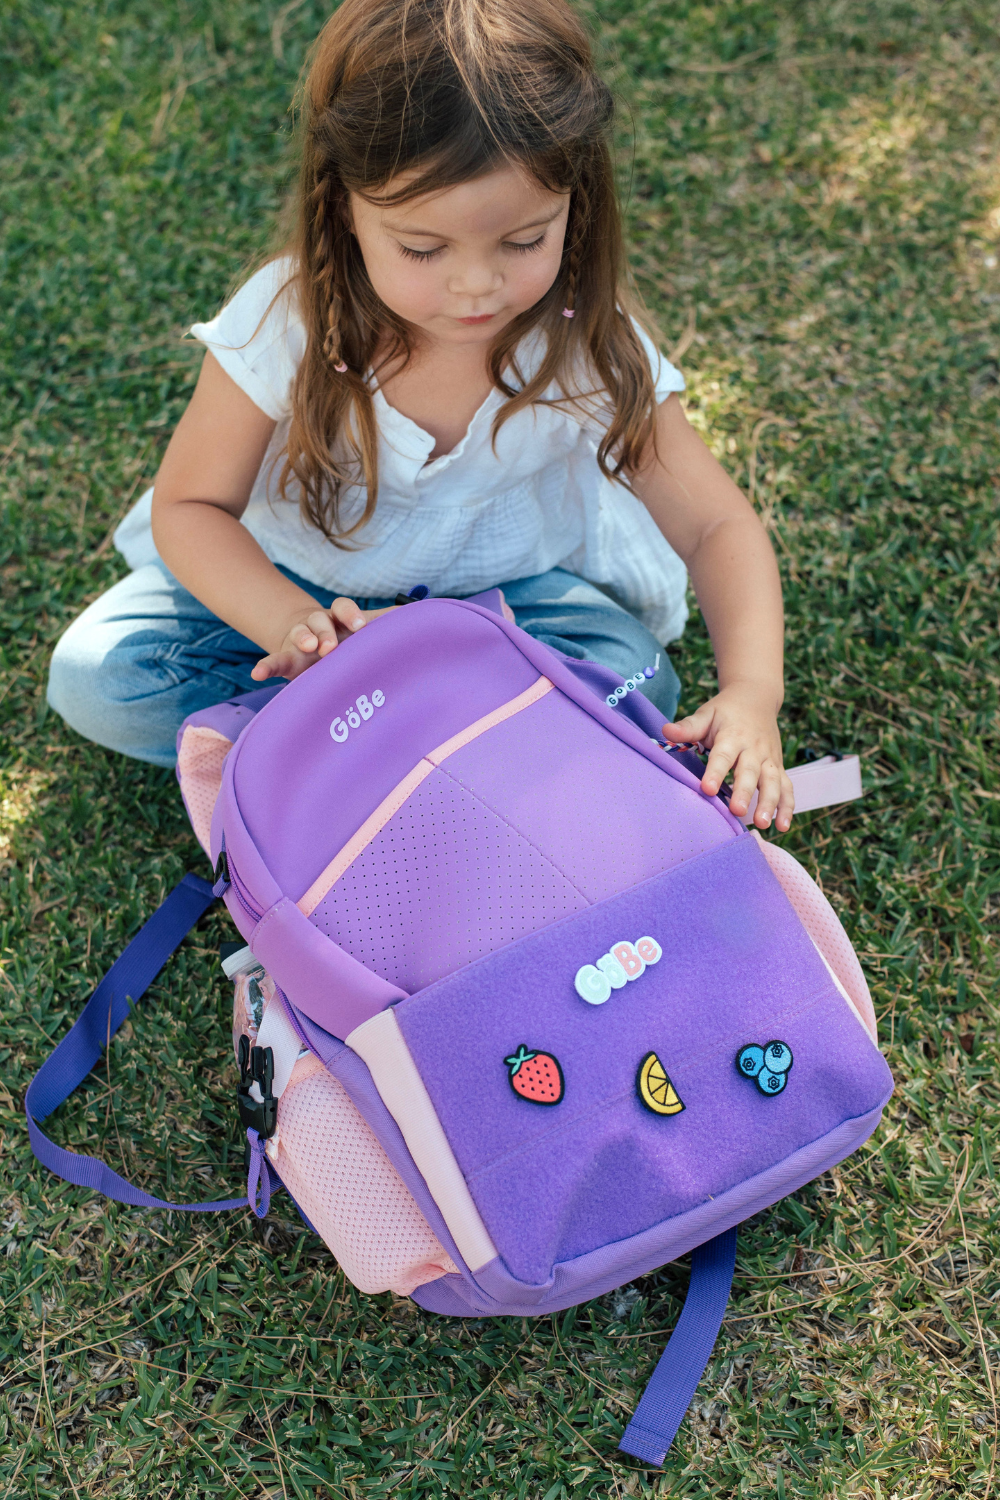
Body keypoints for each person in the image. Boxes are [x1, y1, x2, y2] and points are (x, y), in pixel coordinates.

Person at [47, 0, 794, 831]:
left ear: (574, 206)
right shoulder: (285, 323)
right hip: (305, 593)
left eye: (524, 241)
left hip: (504, 607)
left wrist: (753, 694)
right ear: (343, 210)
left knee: (635, 679)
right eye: (423, 250)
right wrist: (294, 629)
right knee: (99, 679)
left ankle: (343, 752)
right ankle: (429, 745)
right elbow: (189, 507)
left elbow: (716, 526)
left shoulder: (584, 344)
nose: (477, 287)